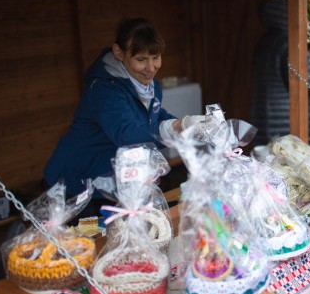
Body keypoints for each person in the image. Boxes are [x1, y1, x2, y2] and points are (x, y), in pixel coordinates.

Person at [43, 17, 202, 216]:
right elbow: (126, 134)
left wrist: (188, 126)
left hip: (111, 181)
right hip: (76, 182)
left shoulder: (149, 86)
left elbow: (154, 117)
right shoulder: (103, 90)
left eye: (156, 57)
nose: (151, 67)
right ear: (119, 53)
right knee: (90, 243)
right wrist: (177, 126)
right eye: (141, 59)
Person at [250, 0, 310, 146]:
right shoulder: (290, 44)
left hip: (266, 119)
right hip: (286, 123)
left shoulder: (266, 40)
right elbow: (303, 82)